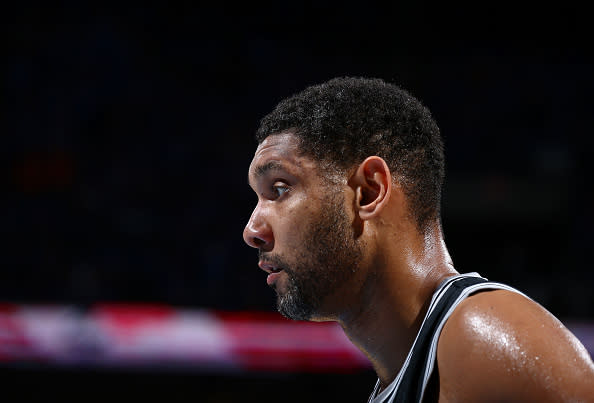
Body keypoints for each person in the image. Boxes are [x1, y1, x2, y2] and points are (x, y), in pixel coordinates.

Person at [242, 77, 594, 402]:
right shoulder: (413, 372)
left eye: (279, 188)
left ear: (368, 191)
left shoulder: (481, 341)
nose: (252, 230)